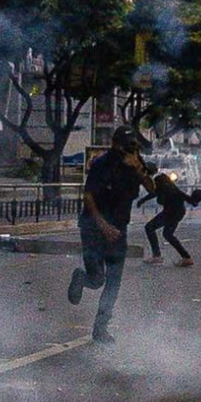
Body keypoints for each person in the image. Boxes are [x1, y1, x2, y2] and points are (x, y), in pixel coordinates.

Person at [68, 126, 149, 342]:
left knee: (113, 281)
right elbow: (89, 196)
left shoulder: (135, 166)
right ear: (115, 144)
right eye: (126, 145)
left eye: (133, 145)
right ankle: (82, 277)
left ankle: (100, 328)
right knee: (97, 279)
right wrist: (103, 225)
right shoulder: (102, 164)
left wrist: (139, 169)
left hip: (119, 230)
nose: (129, 149)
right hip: (94, 228)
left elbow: (153, 189)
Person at [135, 170, 201, 265]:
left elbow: (158, 197)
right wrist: (142, 200)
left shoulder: (163, 186)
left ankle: (157, 256)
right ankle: (186, 257)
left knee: (150, 228)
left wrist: (142, 201)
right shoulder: (170, 186)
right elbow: (189, 200)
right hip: (177, 213)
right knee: (167, 234)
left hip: (170, 213)